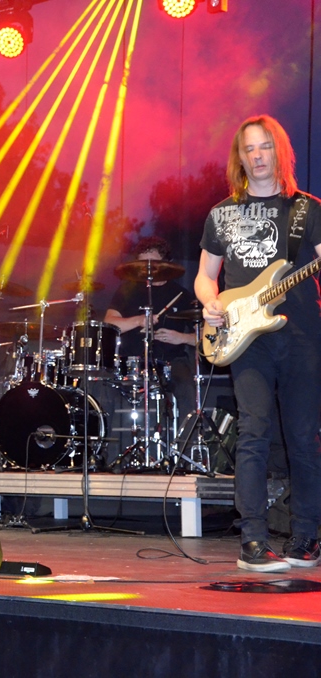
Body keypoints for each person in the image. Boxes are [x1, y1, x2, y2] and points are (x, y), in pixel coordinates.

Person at [195, 115, 321, 572]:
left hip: (302, 336)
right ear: (240, 157)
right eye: (249, 148)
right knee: (253, 431)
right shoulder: (221, 213)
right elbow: (205, 276)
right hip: (245, 335)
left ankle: (306, 537)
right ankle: (252, 540)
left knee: (303, 437)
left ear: (279, 152)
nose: (257, 155)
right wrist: (210, 303)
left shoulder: (306, 209)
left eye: (265, 146)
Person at [105, 237, 198, 434]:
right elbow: (109, 324)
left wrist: (181, 337)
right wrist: (138, 320)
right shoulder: (127, 290)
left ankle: (186, 447)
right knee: (100, 385)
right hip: (129, 361)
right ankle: (101, 446)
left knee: (187, 388)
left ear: (165, 264)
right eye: (142, 264)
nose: (147, 268)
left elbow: (206, 336)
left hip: (172, 361)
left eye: (152, 263)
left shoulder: (181, 295)